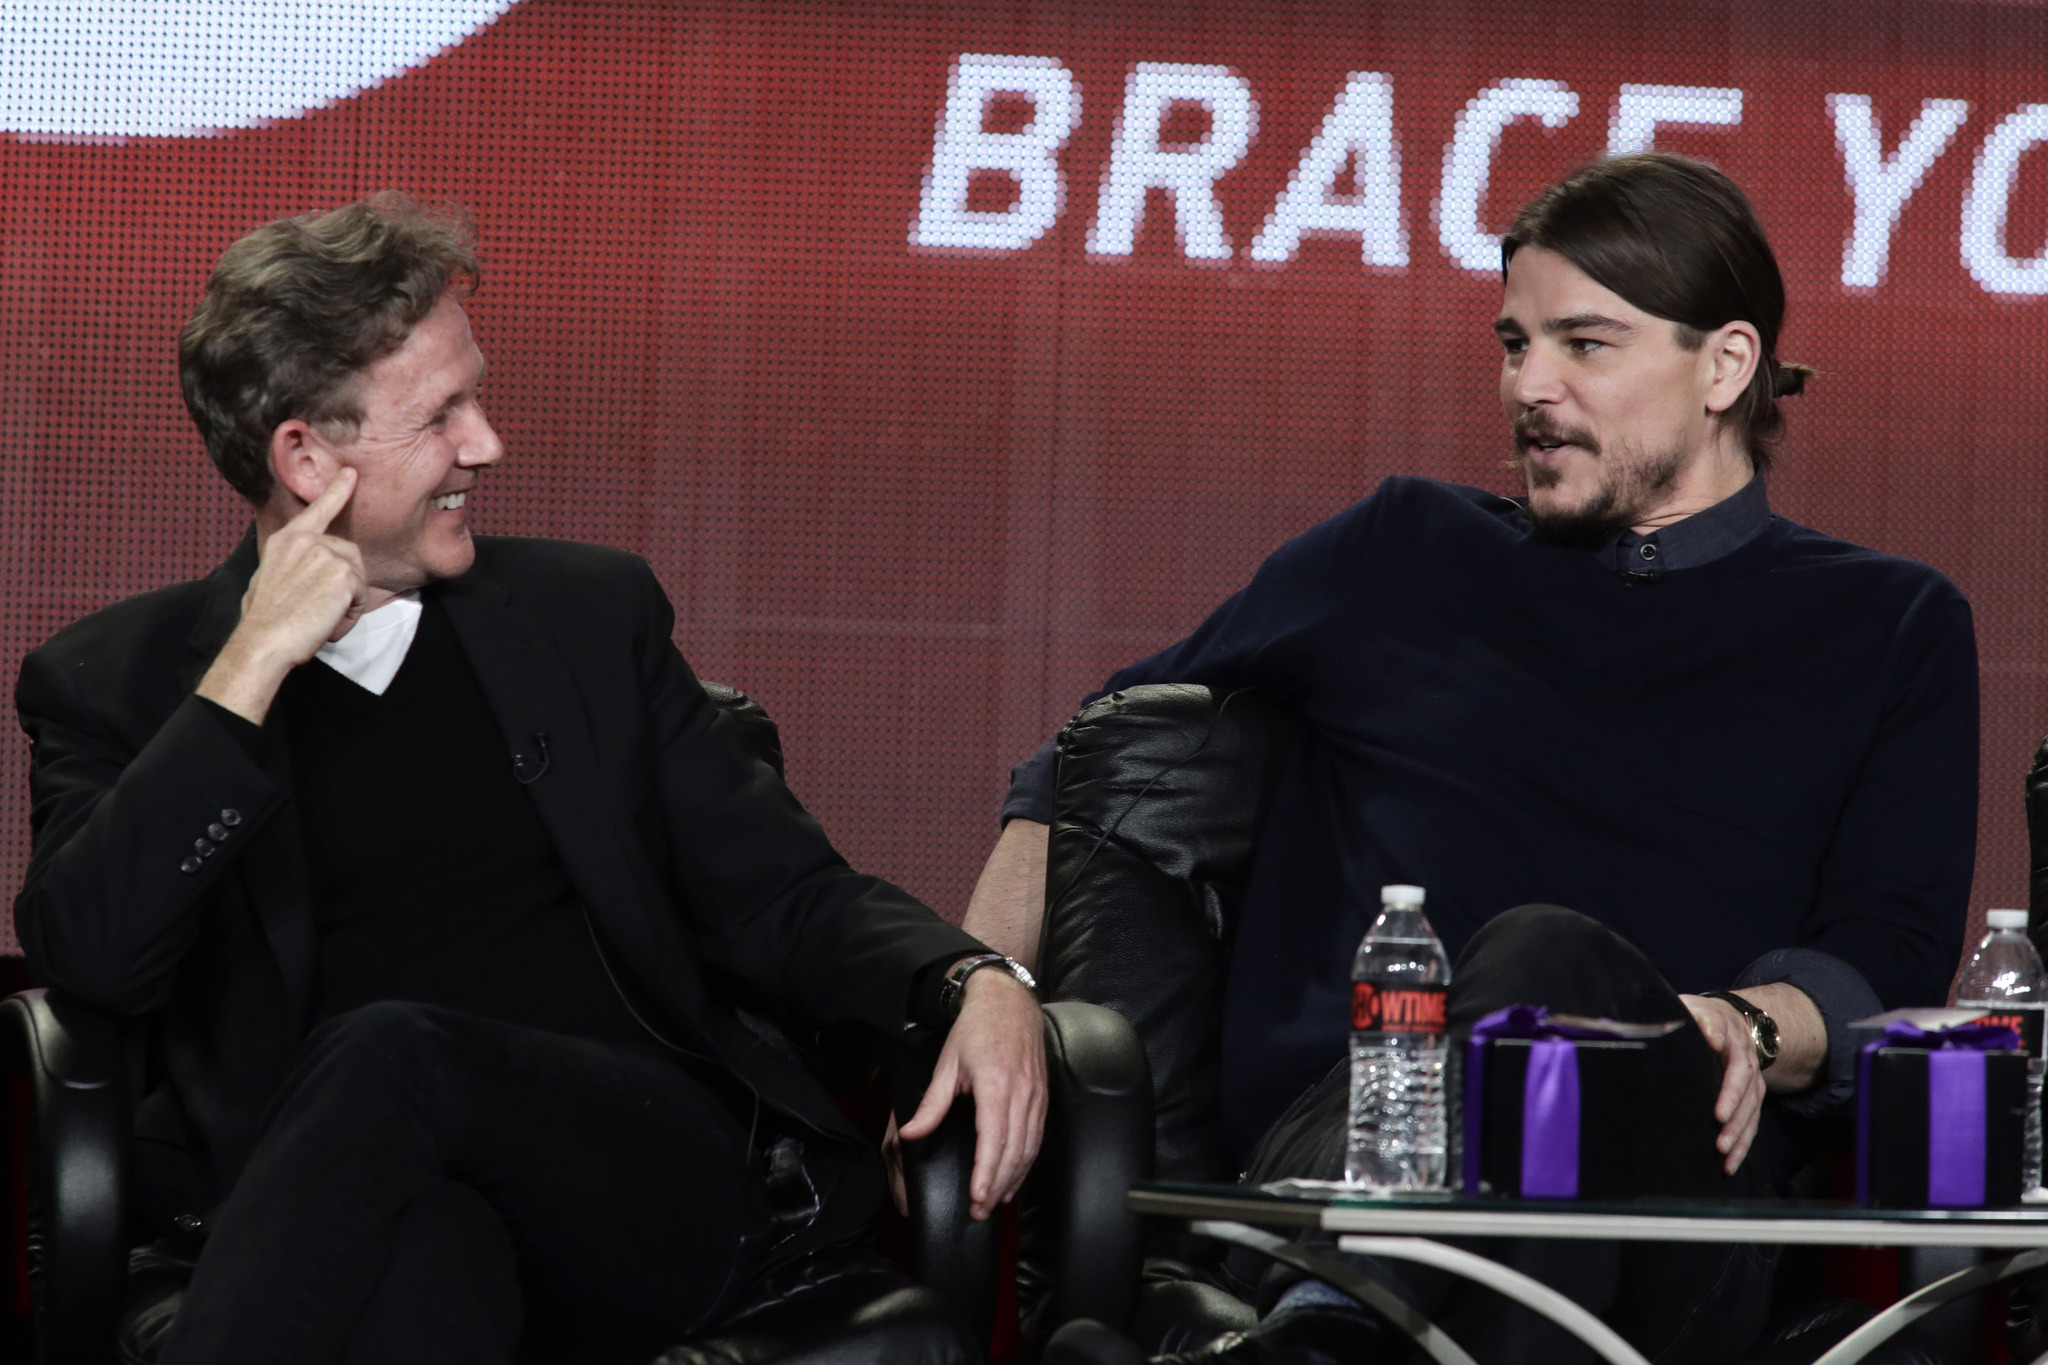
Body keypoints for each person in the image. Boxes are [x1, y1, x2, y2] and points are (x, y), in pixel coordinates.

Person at [968, 155, 1978, 1364]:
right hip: (1341, 1158)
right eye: (1513, 344)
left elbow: (1883, 952)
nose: (1527, 388)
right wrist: (979, 989)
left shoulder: (1886, 625)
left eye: (1582, 346)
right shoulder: (1403, 551)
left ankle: (1323, 1345)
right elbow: (1089, 763)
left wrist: (1743, 1026)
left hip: (1672, 1196)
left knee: (1551, 977)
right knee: (1528, 1000)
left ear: (1724, 364)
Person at [12, 193, 1047, 1364]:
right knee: (422, 1258)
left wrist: (972, 974)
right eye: (440, 416)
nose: (487, 445)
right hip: (338, 1207)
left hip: (641, 1189)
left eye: (475, 396)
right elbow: (90, 955)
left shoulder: (585, 619)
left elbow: (780, 897)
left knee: (393, 1052)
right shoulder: (118, 682)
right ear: (306, 456)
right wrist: (249, 670)